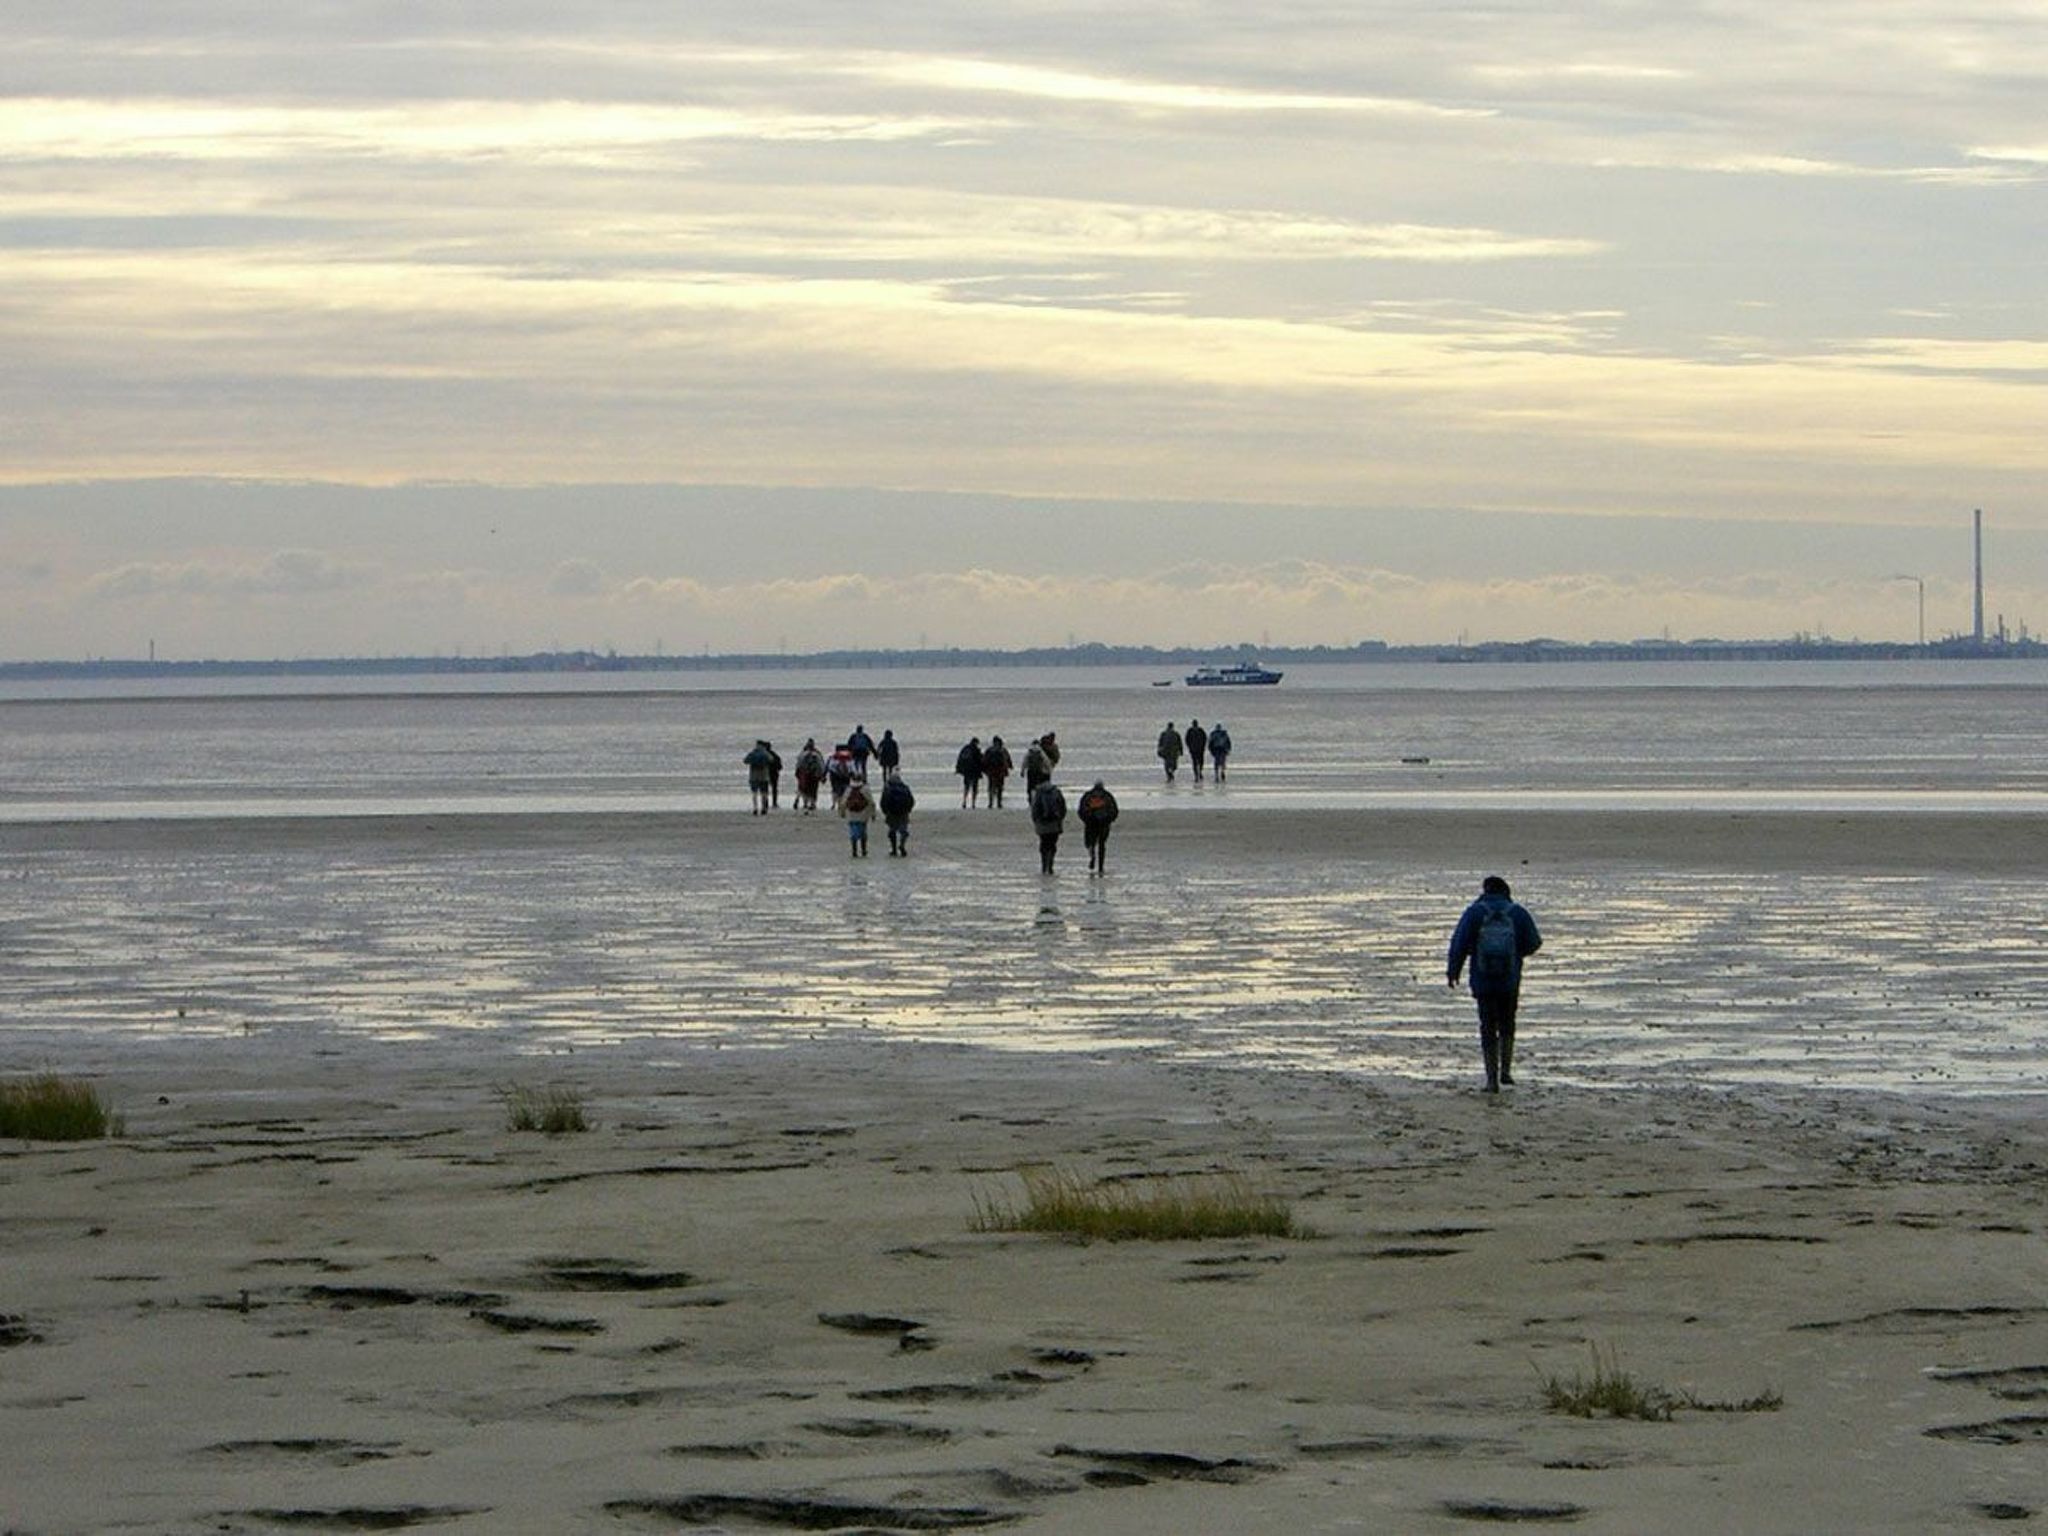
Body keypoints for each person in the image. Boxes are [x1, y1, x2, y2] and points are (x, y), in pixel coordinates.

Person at [1446, 875, 1544, 1093]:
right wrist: (1516, 954)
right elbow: (1534, 943)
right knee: (1508, 1022)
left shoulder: (1475, 912)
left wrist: (1453, 971)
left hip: (1483, 979)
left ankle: (1491, 1080)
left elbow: (1458, 943)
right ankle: (1506, 1071)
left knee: (1487, 1025)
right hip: (1510, 979)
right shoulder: (1517, 912)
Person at [1076, 779, 1119, 874]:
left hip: (1090, 823)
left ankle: (1092, 856)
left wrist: (1086, 820)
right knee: (1102, 845)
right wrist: (1110, 820)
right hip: (1104, 823)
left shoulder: (1088, 796)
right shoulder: (1107, 796)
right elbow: (1114, 810)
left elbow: (1081, 810)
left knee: (1090, 843)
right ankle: (1101, 865)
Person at [1029, 777, 1067, 874]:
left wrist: (1036, 821)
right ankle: (1050, 864)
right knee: (1052, 844)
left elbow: (1035, 809)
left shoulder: (1038, 793)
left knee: (1044, 843)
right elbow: (1062, 807)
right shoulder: (1056, 792)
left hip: (1042, 824)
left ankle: (1044, 864)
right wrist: (1060, 819)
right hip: (1054, 823)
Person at [879, 770, 915, 857]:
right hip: (903, 813)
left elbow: (883, 802)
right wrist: (908, 810)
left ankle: (894, 848)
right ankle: (902, 844)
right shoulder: (905, 788)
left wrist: (885, 812)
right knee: (903, 830)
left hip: (891, 813)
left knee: (892, 831)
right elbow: (911, 800)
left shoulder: (887, 789)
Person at [839, 775, 876, 857]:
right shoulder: (865, 789)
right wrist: (873, 814)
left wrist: (842, 813)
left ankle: (854, 850)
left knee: (853, 833)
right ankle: (863, 850)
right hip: (863, 815)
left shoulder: (849, 789)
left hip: (851, 815)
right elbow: (872, 802)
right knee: (863, 832)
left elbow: (843, 802)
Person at [793, 739, 826, 814]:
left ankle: (805, 804)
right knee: (814, 790)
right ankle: (813, 804)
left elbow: (798, 765)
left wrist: (797, 774)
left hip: (804, 774)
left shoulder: (802, 754)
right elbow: (821, 765)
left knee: (803, 789)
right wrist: (822, 775)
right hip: (814, 775)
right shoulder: (817, 754)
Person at [743, 740, 774, 815]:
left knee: (754, 793)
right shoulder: (765, 753)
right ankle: (763, 808)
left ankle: (755, 808)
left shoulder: (753, 753)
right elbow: (771, 760)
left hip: (753, 776)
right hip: (763, 776)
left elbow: (745, 761)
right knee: (764, 793)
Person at [982, 735, 1013, 807]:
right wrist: (1010, 766)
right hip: (1000, 771)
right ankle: (999, 803)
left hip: (991, 771)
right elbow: (1008, 760)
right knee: (1000, 787)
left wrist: (984, 770)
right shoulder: (1003, 750)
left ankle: (990, 803)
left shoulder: (989, 750)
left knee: (991, 787)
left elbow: (984, 760)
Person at [954, 736, 984, 808]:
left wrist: (958, 769)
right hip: (974, 772)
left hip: (966, 771)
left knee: (966, 787)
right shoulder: (976, 750)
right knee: (974, 788)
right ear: (976, 743)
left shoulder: (965, 748)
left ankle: (964, 802)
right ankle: (973, 804)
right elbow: (980, 760)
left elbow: (960, 759)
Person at [826, 743, 855, 809]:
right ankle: (843, 803)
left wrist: (824, 775)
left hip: (835, 775)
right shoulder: (849, 757)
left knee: (835, 790)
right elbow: (853, 768)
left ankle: (834, 804)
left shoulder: (833, 756)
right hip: (846, 776)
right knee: (845, 790)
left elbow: (829, 767)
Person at [765, 741, 784, 808]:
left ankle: (765, 803)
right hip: (774, 774)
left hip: (765, 773)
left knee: (765, 789)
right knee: (774, 789)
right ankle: (774, 803)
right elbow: (780, 766)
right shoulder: (775, 755)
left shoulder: (763, 756)